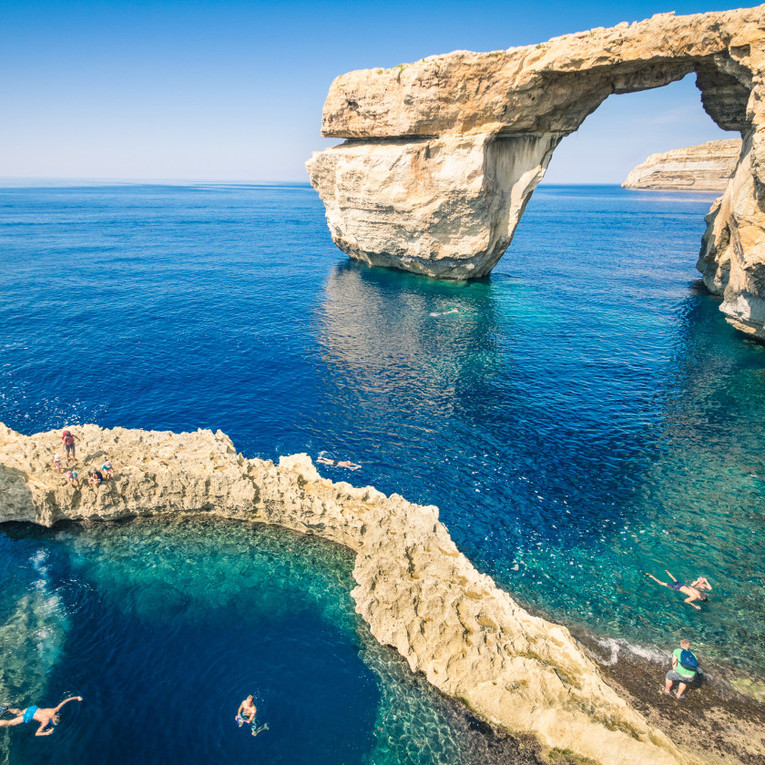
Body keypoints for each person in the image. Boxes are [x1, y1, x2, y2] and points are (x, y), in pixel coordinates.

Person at [0, 696, 83, 736]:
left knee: (20, 712)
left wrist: (76, 698)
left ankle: (6, 709)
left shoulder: (54, 710)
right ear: (53, 721)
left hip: (33, 709)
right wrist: (47, 732)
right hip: (30, 715)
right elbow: (37, 733)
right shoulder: (46, 721)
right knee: (10, 722)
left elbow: (64, 701)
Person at [644, 569, 712, 610]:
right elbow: (685, 601)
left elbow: (690, 587)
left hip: (682, 585)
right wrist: (695, 606)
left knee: (674, 579)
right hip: (678, 588)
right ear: (701, 600)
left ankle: (667, 571)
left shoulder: (698, 592)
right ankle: (651, 576)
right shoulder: (694, 598)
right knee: (661, 583)